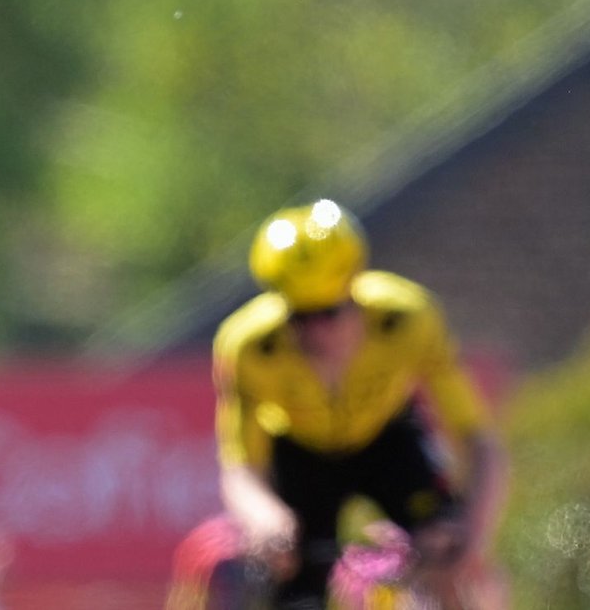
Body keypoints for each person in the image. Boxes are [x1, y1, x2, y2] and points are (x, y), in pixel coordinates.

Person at [212, 200, 509, 610]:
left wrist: (472, 538)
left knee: (447, 552)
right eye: (299, 318)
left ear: (356, 289)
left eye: (330, 312)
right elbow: (241, 466)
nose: (316, 332)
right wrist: (264, 517)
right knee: (288, 572)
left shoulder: (407, 319)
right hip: (300, 453)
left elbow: (478, 441)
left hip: (389, 440)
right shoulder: (248, 346)